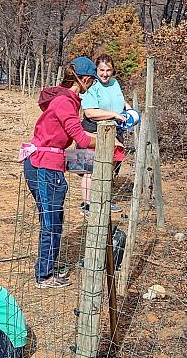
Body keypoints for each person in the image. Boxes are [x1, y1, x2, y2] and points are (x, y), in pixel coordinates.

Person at [21, 56, 122, 288]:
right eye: (92, 80)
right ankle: (44, 275)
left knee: (52, 219)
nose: (93, 84)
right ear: (84, 79)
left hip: (44, 161)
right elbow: (82, 140)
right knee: (51, 221)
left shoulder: (65, 99)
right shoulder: (65, 103)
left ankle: (47, 265)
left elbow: (72, 137)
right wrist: (110, 142)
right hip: (45, 165)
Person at [80, 54, 129, 215]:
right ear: (96, 70)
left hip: (114, 131)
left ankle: (104, 201)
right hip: (92, 132)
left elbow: (120, 101)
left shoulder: (115, 83)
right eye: (101, 70)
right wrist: (113, 114)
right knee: (90, 171)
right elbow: (90, 112)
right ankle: (87, 205)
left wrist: (129, 109)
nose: (105, 74)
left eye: (108, 70)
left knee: (109, 169)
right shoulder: (91, 85)